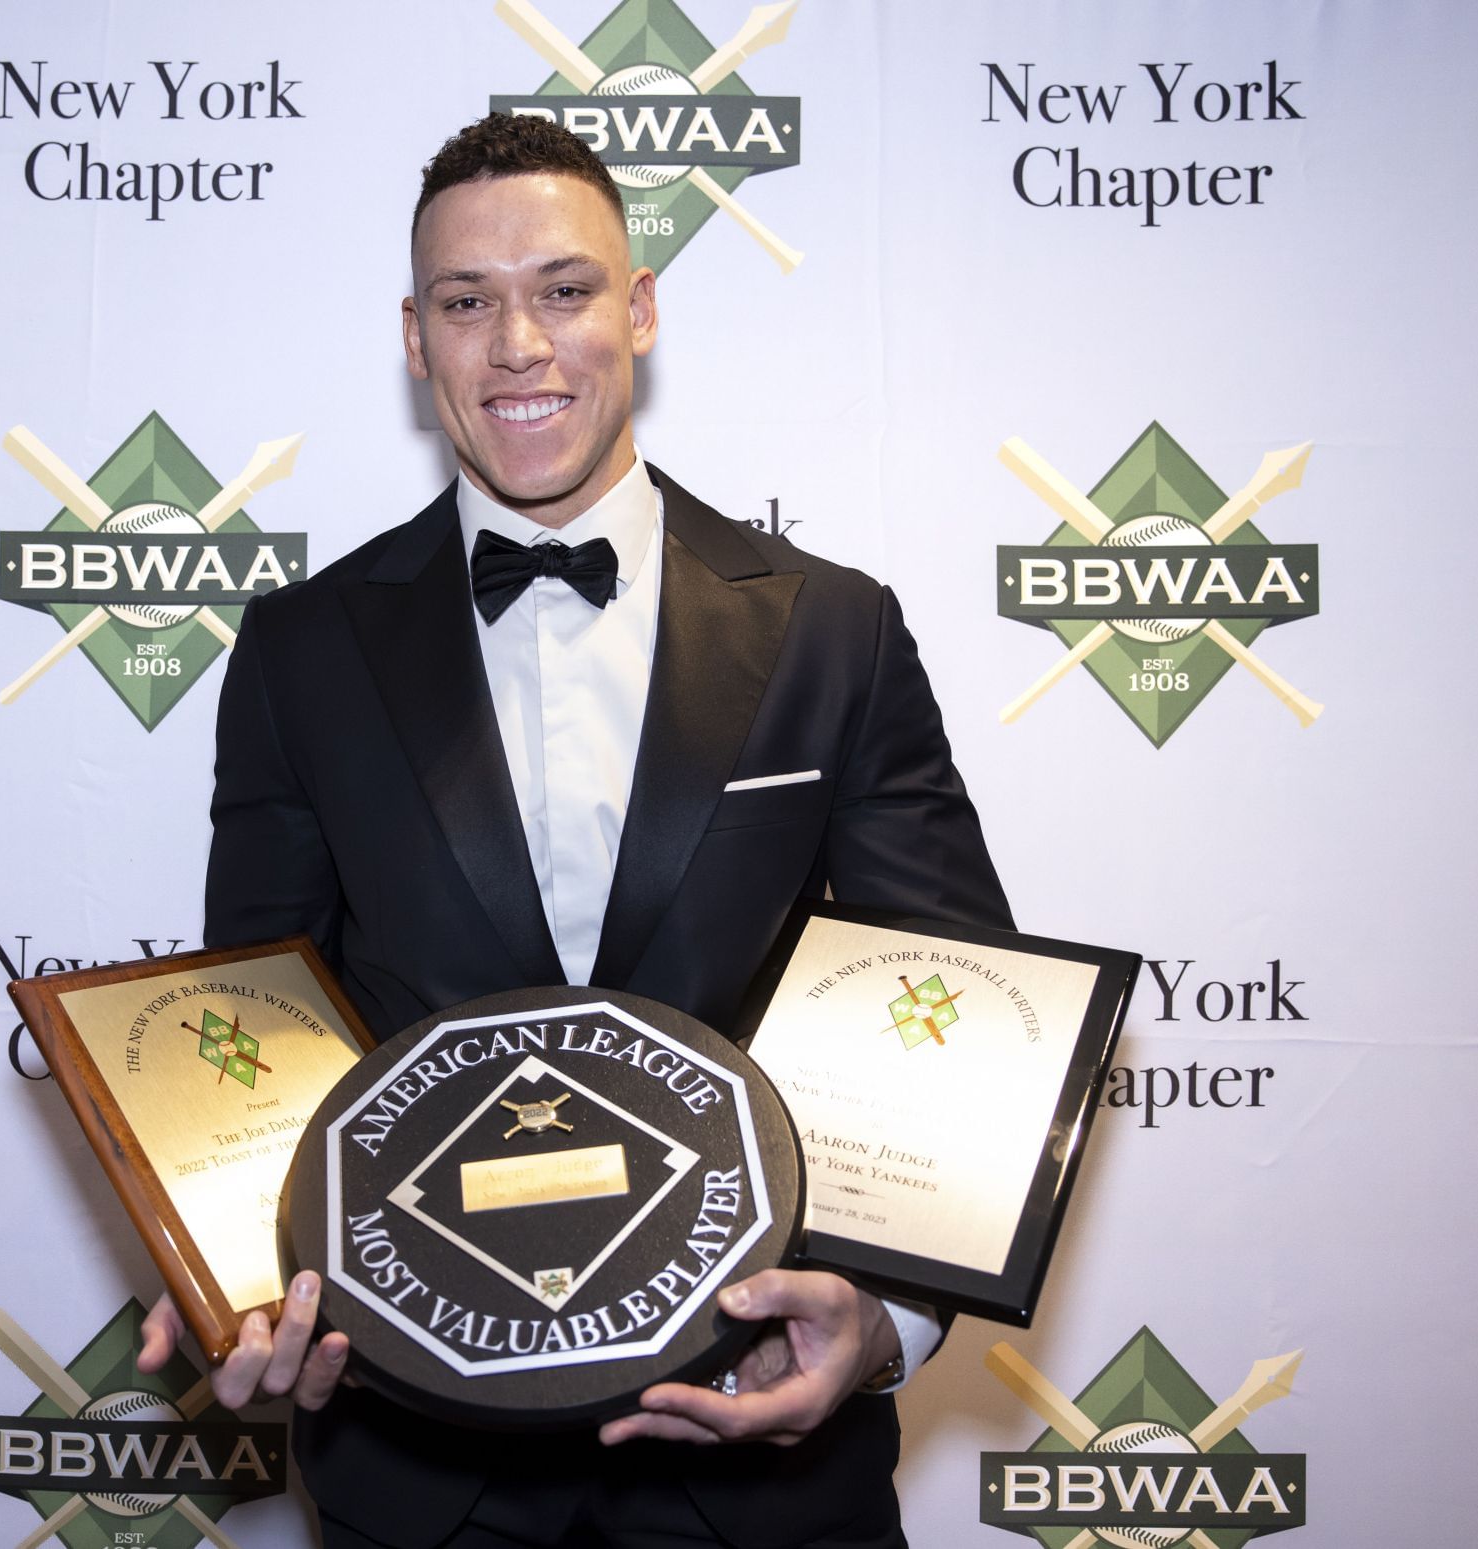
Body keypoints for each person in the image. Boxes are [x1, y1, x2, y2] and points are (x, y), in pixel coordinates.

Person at [140, 113, 1010, 1549]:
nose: (518, 345)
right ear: (415, 339)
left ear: (642, 308)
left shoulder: (831, 631)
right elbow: (261, 1016)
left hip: (763, 1456)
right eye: (466, 303)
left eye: (563, 289)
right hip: (420, 1475)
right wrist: (240, 1271)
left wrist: (886, 1320)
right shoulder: (301, 650)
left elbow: (955, 999)